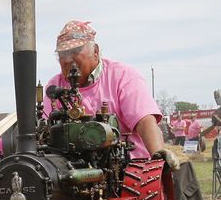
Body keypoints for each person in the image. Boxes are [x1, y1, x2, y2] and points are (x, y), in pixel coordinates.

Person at [46, 21, 166, 162]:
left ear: (95, 52)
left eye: (75, 52)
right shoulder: (54, 86)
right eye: (63, 54)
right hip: (72, 167)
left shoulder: (123, 76)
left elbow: (145, 121)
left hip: (128, 165)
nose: (68, 60)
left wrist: (159, 157)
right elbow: (45, 129)